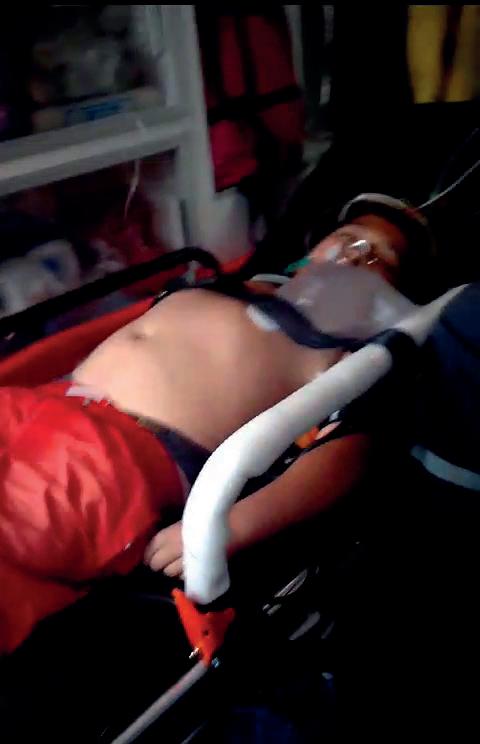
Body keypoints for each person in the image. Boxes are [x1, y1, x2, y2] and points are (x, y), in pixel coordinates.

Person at [0, 205, 423, 654]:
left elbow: (345, 456)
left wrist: (228, 526)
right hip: (36, 402)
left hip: (108, 456)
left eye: (378, 255)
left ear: (393, 294)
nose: (352, 254)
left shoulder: (347, 354)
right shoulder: (238, 283)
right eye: (348, 236)